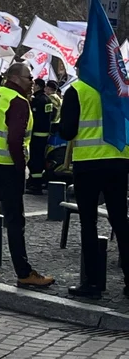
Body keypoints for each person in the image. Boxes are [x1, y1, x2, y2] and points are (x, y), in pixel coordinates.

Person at [0, 63, 54, 288]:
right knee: (15, 220)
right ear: (15, 78)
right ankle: (24, 272)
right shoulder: (18, 102)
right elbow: (15, 139)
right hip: (7, 167)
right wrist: (19, 165)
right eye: (28, 77)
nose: (32, 81)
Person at [58, 77, 129, 299]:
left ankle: (92, 283)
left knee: (88, 223)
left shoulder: (77, 90)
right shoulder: (121, 87)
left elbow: (67, 131)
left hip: (88, 164)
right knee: (120, 221)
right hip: (119, 161)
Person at [26, 77, 55, 195]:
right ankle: (34, 181)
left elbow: (33, 118)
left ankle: (35, 184)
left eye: (34, 86)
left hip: (36, 134)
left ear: (38, 86)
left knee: (34, 160)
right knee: (39, 158)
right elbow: (51, 116)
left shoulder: (38, 100)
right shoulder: (48, 100)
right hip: (45, 134)